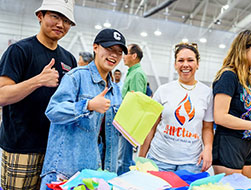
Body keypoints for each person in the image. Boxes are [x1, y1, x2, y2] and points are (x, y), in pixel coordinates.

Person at [0, 0, 77, 189]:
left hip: (55, 150)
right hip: (21, 147)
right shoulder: (19, 51)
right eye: (55, 17)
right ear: (40, 16)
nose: (61, 25)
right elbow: (2, 95)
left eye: (66, 21)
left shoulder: (69, 59)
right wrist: (38, 80)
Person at [40, 28, 127, 189]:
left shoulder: (115, 91)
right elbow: (53, 111)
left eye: (119, 52)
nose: (114, 55)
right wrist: (87, 105)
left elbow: (113, 133)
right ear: (95, 47)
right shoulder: (76, 77)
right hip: (66, 174)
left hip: (97, 176)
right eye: (109, 49)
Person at [139, 42, 214, 173]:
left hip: (191, 163)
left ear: (197, 64)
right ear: (175, 65)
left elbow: (207, 128)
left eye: (190, 60)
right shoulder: (163, 90)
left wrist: (208, 149)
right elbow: (151, 127)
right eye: (181, 60)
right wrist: (141, 159)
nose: (185, 64)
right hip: (159, 160)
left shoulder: (207, 93)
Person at [212, 30, 251, 178]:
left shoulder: (248, 79)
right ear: (243, 47)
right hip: (229, 142)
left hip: (247, 143)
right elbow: (220, 116)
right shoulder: (228, 76)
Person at [118, 43, 147, 175]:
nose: (123, 57)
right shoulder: (132, 72)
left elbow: (138, 101)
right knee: (122, 156)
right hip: (124, 119)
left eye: (126, 53)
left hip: (128, 122)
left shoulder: (137, 74)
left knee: (123, 158)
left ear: (134, 56)